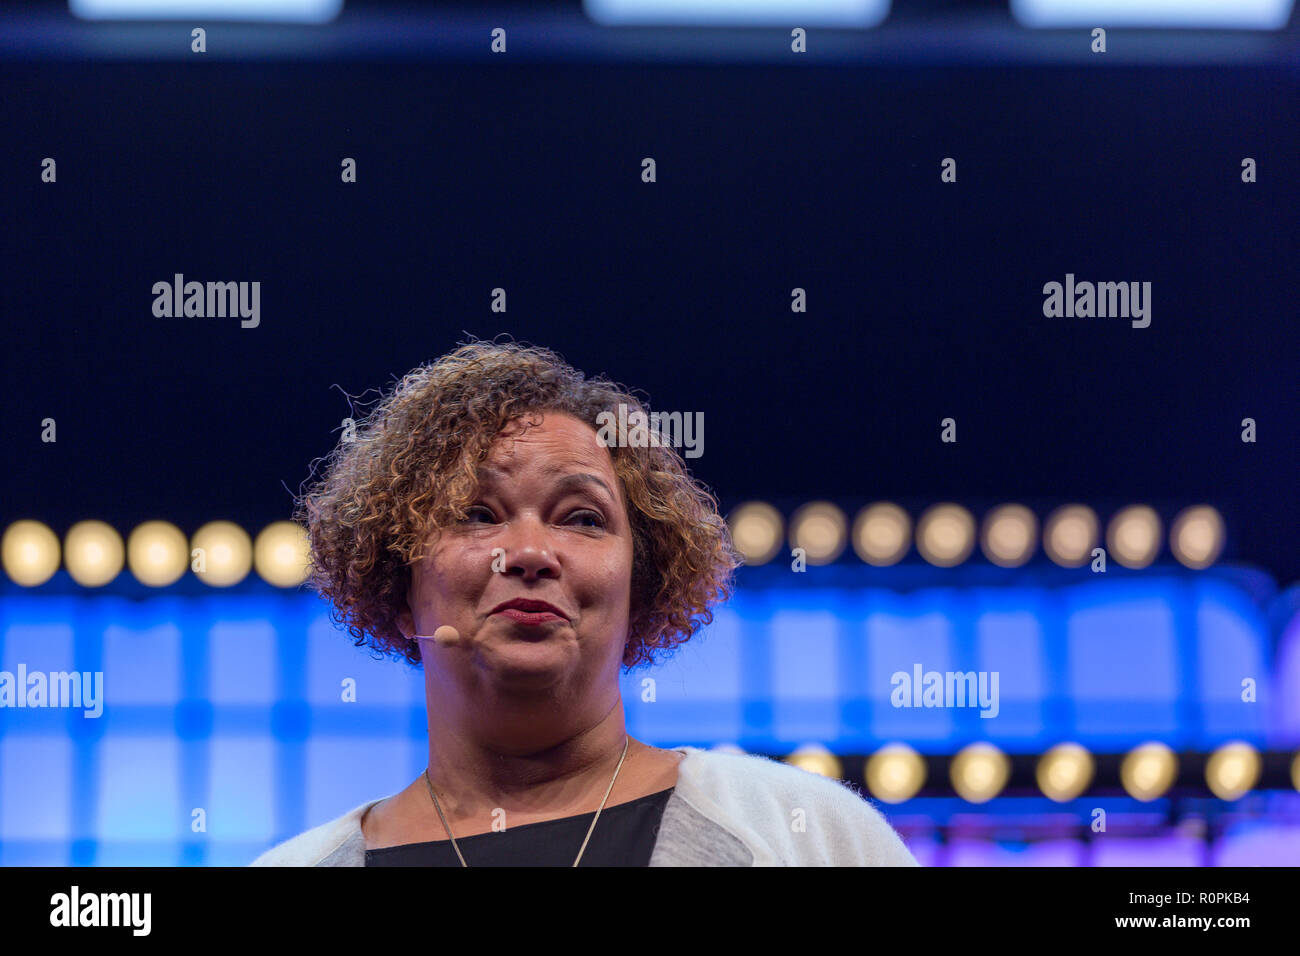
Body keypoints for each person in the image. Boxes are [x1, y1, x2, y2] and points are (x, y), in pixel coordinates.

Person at [251, 340, 917, 866]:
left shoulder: (807, 836)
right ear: (400, 586)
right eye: (479, 513)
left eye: (583, 518)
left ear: (642, 586)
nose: (531, 551)